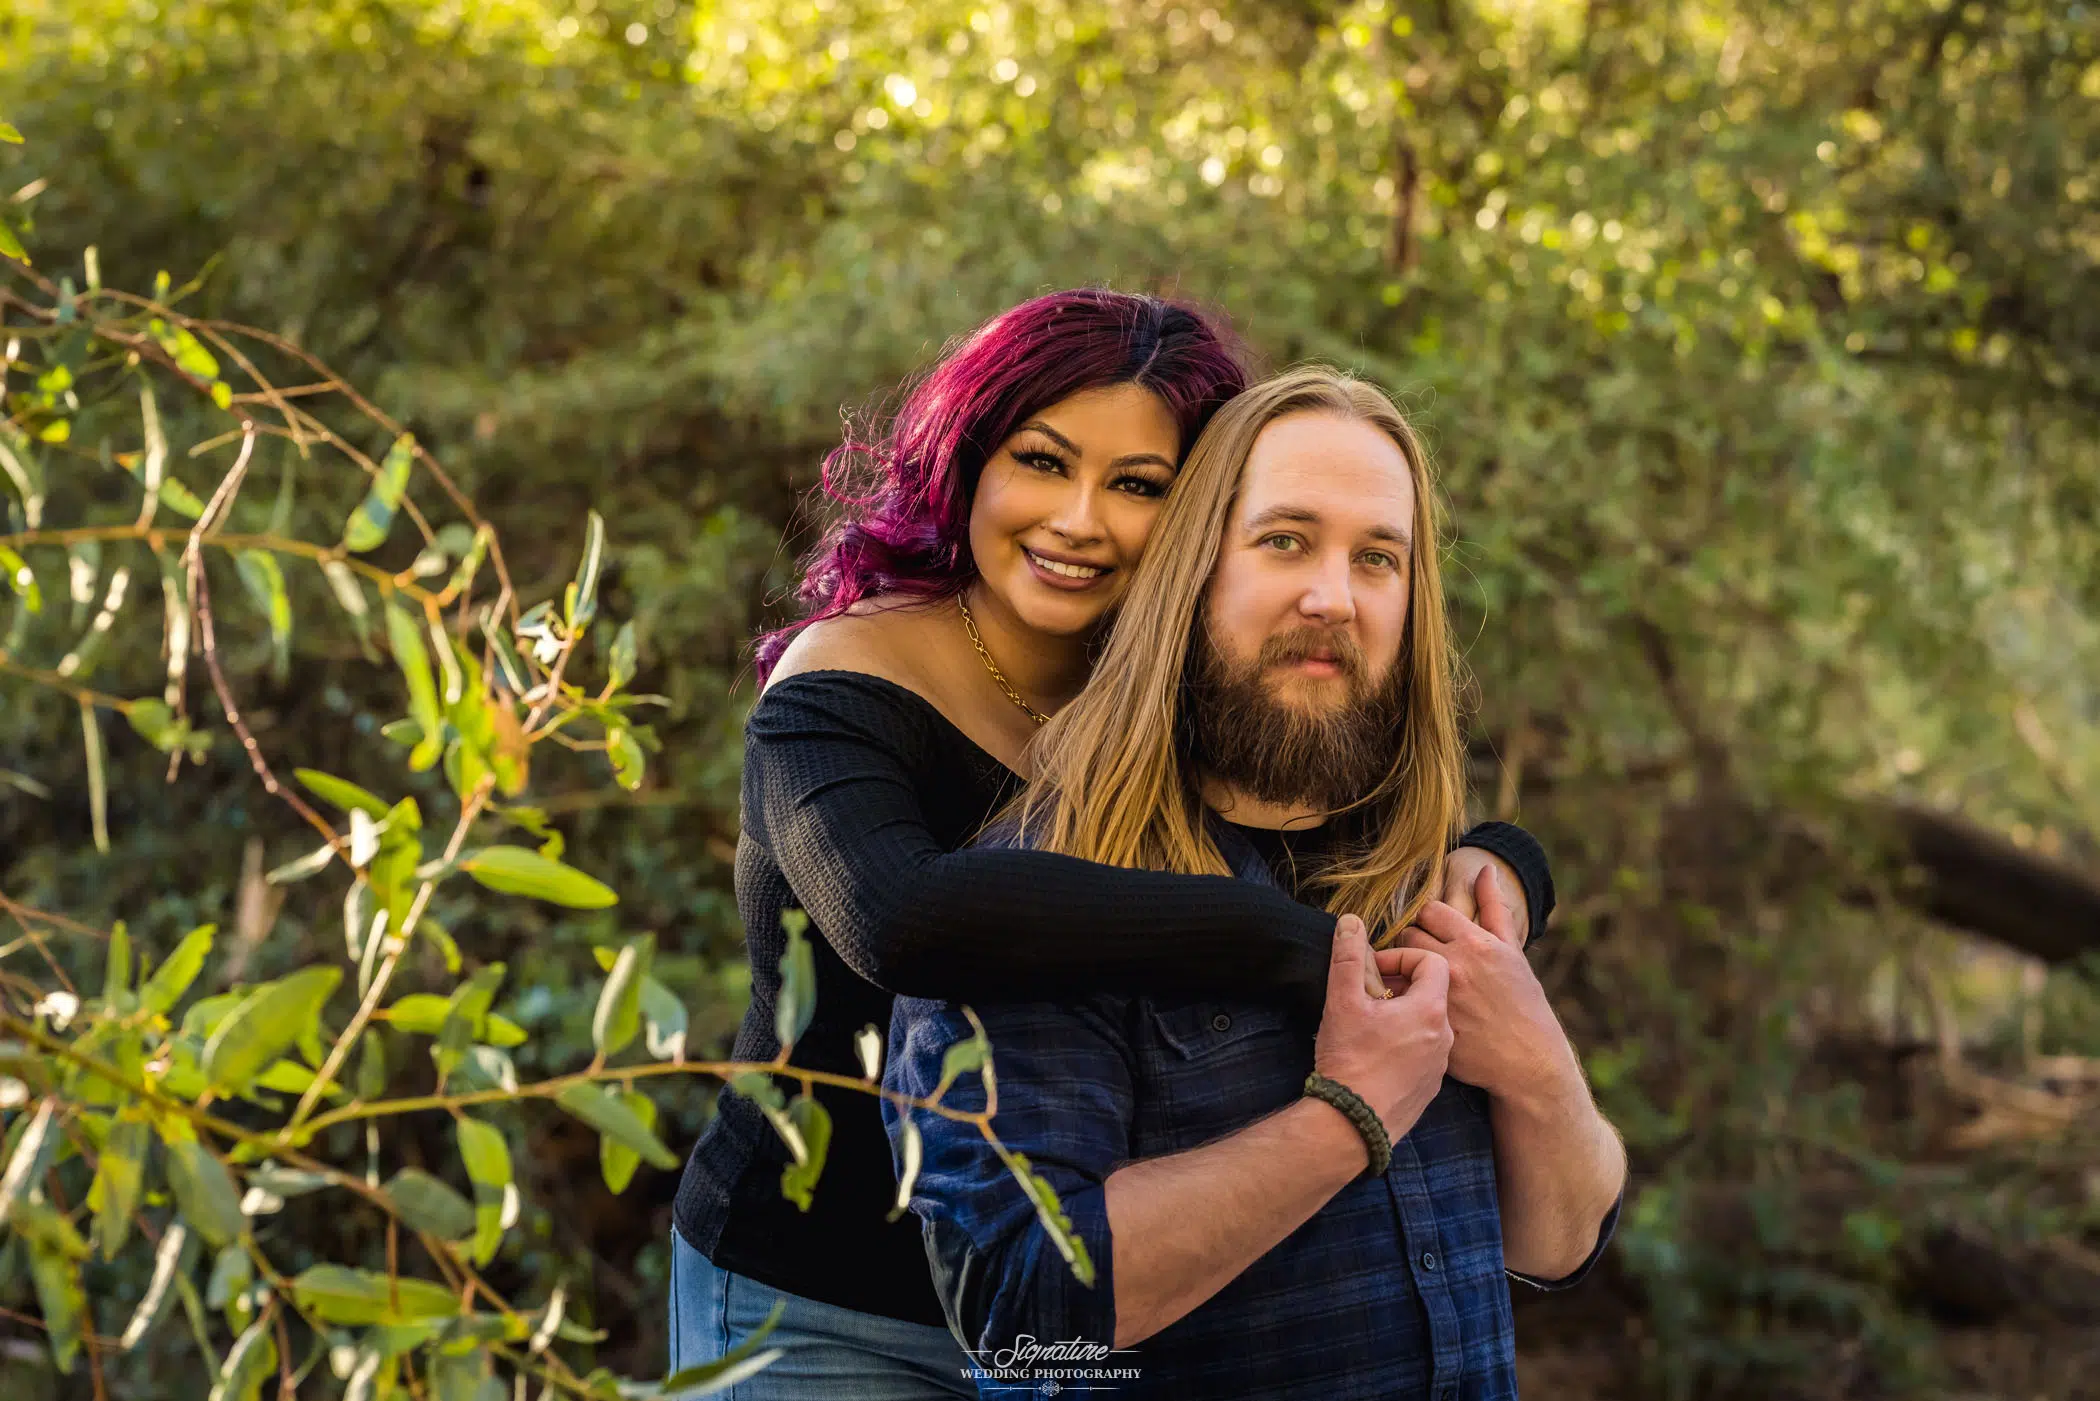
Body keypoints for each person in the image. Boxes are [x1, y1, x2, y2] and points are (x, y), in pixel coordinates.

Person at [670, 294, 1558, 1397]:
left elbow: (1340, 783)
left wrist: (1508, 860)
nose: (1081, 520)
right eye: (1042, 462)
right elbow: (900, 921)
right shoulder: (844, 683)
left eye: (1138, 485)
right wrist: (1301, 949)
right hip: (823, 1295)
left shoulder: (1154, 683)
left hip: (1081, 1314)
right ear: (966, 460)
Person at [885, 367, 1625, 1399]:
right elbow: (1019, 1319)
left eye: (1379, 558)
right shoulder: (1041, 897)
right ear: (1194, 569)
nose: (1333, 596)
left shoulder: (1427, 880)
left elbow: (1560, 1244)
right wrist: (1343, 1119)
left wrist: (1538, 1069)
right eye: (1286, 540)